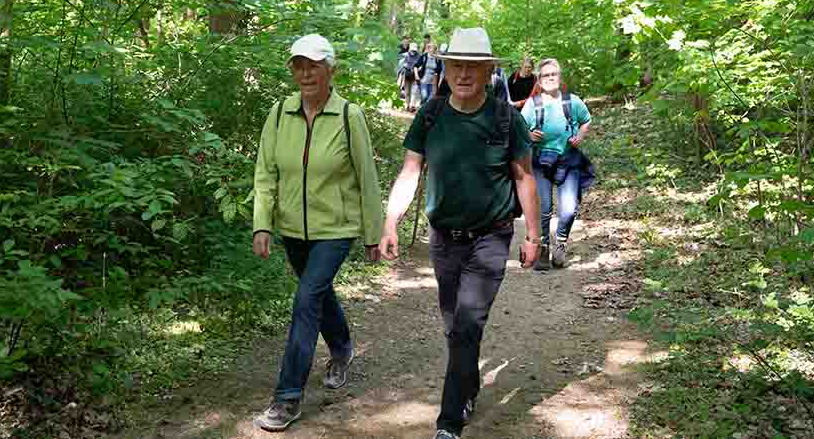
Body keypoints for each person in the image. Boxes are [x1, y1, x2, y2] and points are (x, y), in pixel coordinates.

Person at [379, 28, 541, 439]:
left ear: (489, 71)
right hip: (443, 239)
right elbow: (410, 171)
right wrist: (390, 221)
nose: (464, 73)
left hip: (491, 238)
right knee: (455, 326)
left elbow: (524, 179)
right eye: (456, 65)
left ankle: (449, 423)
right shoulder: (431, 115)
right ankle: (467, 386)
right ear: (446, 69)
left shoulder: (507, 118)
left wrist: (534, 236)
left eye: (474, 66)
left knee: (468, 323)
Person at [252, 34, 384, 432]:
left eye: (313, 65)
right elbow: (265, 174)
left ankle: (287, 396)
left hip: (336, 228)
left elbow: (367, 177)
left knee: (305, 299)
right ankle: (342, 348)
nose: (305, 73)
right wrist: (262, 222)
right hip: (293, 228)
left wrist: (373, 232)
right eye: (298, 65)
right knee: (318, 293)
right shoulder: (279, 114)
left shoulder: (349, 116)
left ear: (331, 69)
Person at [519, 58, 593, 270]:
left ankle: (560, 244)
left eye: (554, 74)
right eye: (545, 75)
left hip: (568, 160)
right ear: (539, 80)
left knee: (569, 209)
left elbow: (586, 120)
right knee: (544, 209)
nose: (550, 78)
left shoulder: (572, 102)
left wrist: (579, 136)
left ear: (559, 78)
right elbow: (520, 128)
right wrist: (530, 136)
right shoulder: (533, 104)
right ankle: (542, 249)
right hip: (540, 160)